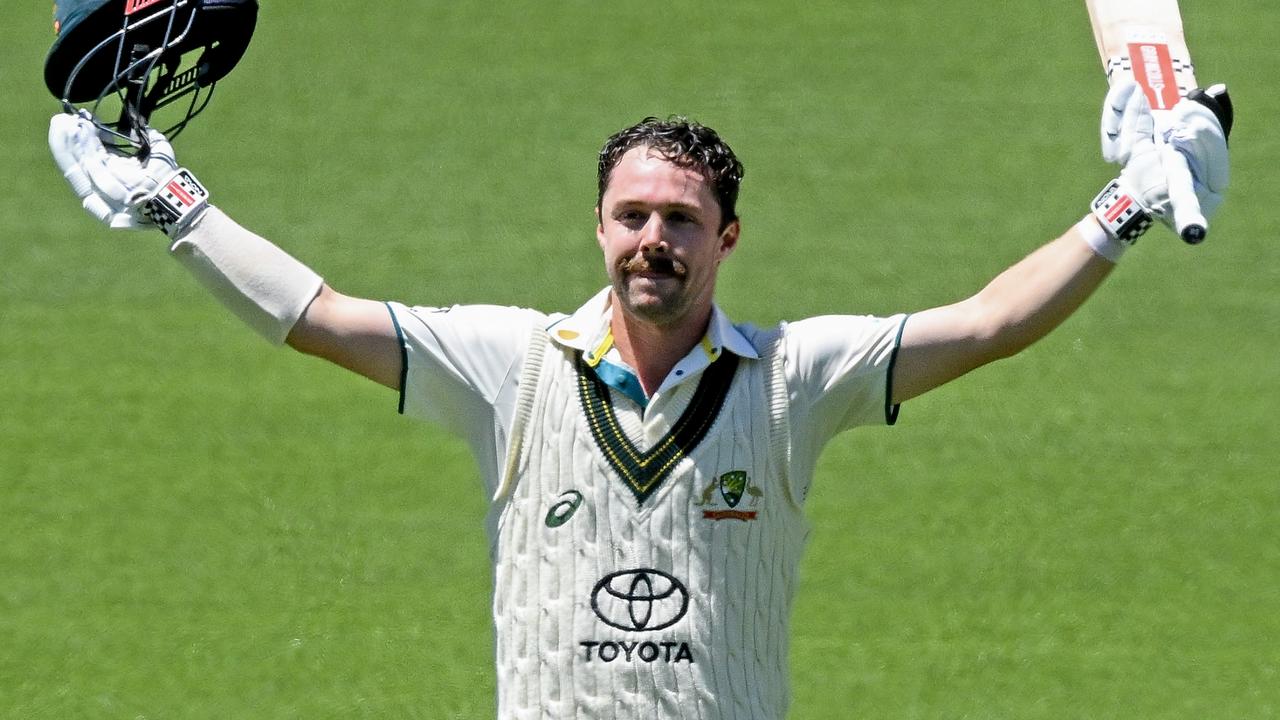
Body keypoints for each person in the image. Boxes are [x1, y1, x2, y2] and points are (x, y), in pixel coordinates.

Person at [48, 79, 1230, 718]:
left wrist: (1121, 210)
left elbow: (987, 324)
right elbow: (321, 317)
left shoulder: (790, 379)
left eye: (677, 221)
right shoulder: (508, 364)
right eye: (630, 216)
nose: (650, 241)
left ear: (726, 236)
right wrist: (178, 209)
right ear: (598, 227)